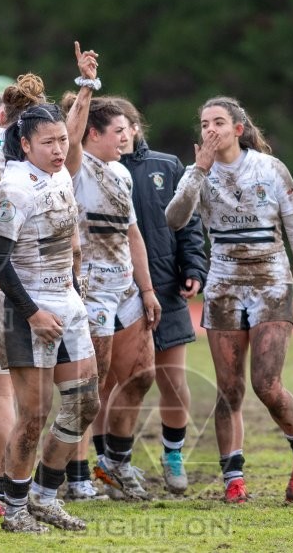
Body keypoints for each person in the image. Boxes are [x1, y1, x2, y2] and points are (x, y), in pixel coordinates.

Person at [165, 96, 293, 504]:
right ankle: (233, 477)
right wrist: (198, 171)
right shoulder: (197, 172)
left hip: (270, 281)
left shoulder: (269, 169)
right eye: (203, 124)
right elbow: (174, 219)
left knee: (266, 385)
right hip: (224, 284)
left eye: (218, 122)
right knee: (229, 390)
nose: (209, 130)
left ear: (238, 128)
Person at [0, 101, 100, 533]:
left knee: (85, 403)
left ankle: (45, 497)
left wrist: (73, 287)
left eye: (62, 140)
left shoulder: (60, 178)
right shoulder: (14, 188)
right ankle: (13, 509)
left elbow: (68, 243)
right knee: (34, 416)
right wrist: (32, 314)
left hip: (67, 305)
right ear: (24, 143)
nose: (58, 148)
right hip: (27, 310)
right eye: (48, 141)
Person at [107, 96, 207, 495]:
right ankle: (113, 463)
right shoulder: (97, 169)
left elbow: (189, 222)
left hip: (165, 286)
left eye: (124, 127)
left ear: (135, 126)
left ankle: (173, 455)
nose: (121, 135)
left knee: (172, 378)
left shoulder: (166, 165)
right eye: (112, 129)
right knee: (115, 383)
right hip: (117, 290)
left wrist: (194, 267)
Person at [64, 95, 162, 501]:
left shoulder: (122, 173)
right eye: (118, 131)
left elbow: (132, 234)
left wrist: (148, 289)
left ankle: (115, 463)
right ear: (93, 134)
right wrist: (85, 87)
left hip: (126, 290)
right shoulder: (74, 166)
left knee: (142, 375)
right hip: (91, 291)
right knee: (90, 388)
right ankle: (76, 474)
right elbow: (70, 139)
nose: (127, 137)